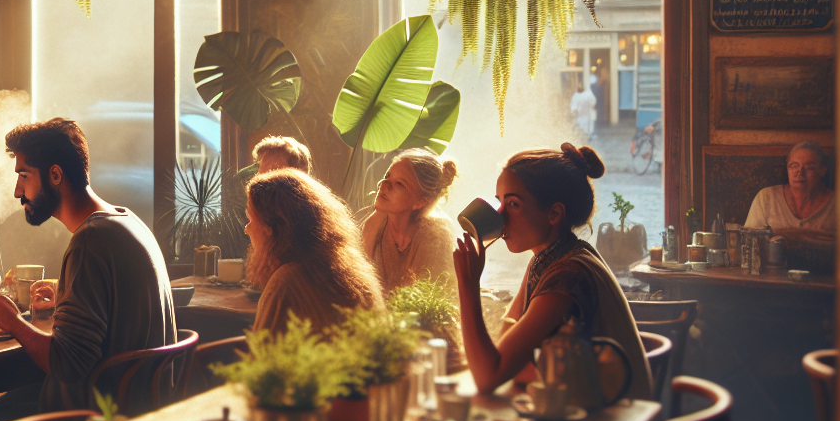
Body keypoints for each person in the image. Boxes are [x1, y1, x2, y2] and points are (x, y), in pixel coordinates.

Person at [0, 118, 178, 410]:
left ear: (55, 175)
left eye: (24, 176)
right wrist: (66, 292)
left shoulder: (90, 241)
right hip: (144, 409)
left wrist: (11, 321)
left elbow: (68, 363)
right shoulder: (127, 220)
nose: (17, 191)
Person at [451, 143, 652, 402]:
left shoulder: (568, 274)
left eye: (513, 204)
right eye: (499, 202)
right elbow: (506, 346)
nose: (500, 217)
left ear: (554, 214)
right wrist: (512, 366)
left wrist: (468, 286)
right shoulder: (547, 259)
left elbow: (487, 377)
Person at [247, 168, 384, 335]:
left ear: (269, 228)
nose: (247, 229)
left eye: (251, 220)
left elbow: (261, 356)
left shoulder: (286, 281)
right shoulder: (351, 272)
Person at [361, 148, 463, 296]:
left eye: (399, 184)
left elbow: (427, 301)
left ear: (420, 202)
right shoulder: (376, 224)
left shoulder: (435, 234)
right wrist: (373, 224)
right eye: (387, 176)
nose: (384, 184)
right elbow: (360, 285)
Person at [744, 140, 835, 242]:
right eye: (794, 166)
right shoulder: (766, 197)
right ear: (787, 168)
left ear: (822, 170)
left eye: (809, 167)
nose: (799, 172)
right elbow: (748, 241)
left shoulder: (837, 204)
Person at [570, 75, 598, 139]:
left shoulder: (588, 93)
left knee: (589, 126)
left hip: (588, 113)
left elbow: (593, 101)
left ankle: (589, 135)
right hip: (581, 114)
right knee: (582, 126)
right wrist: (574, 110)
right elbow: (573, 104)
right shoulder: (576, 95)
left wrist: (589, 104)